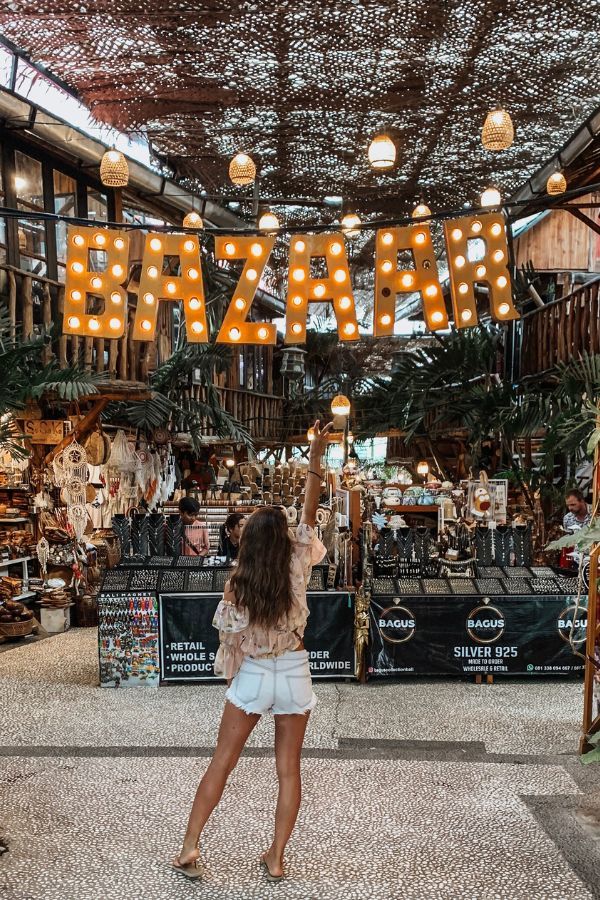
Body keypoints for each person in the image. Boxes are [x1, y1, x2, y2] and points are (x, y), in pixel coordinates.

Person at [172, 420, 332, 882]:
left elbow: (231, 642)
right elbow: (311, 507)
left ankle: (189, 847)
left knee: (221, 762)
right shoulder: (297, 561)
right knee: (289, 771)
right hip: (295, 670)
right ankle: (276, 857)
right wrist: (316, 455)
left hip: (256, 674)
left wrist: (234, 676)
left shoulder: (237, 585)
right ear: (281, 538)